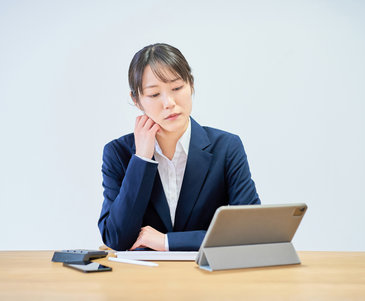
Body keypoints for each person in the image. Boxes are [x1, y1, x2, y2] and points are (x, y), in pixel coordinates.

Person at [98, 43, 260, 251]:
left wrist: (167, 242)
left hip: (207, 275)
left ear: (190, 84)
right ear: (137, 101)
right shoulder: (117, 153)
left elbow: (250, 232)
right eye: (154, 94)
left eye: (176, 88)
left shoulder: (227, 147)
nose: (169, 102)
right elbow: (116, 238)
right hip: (142, 280)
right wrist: (142, 160)